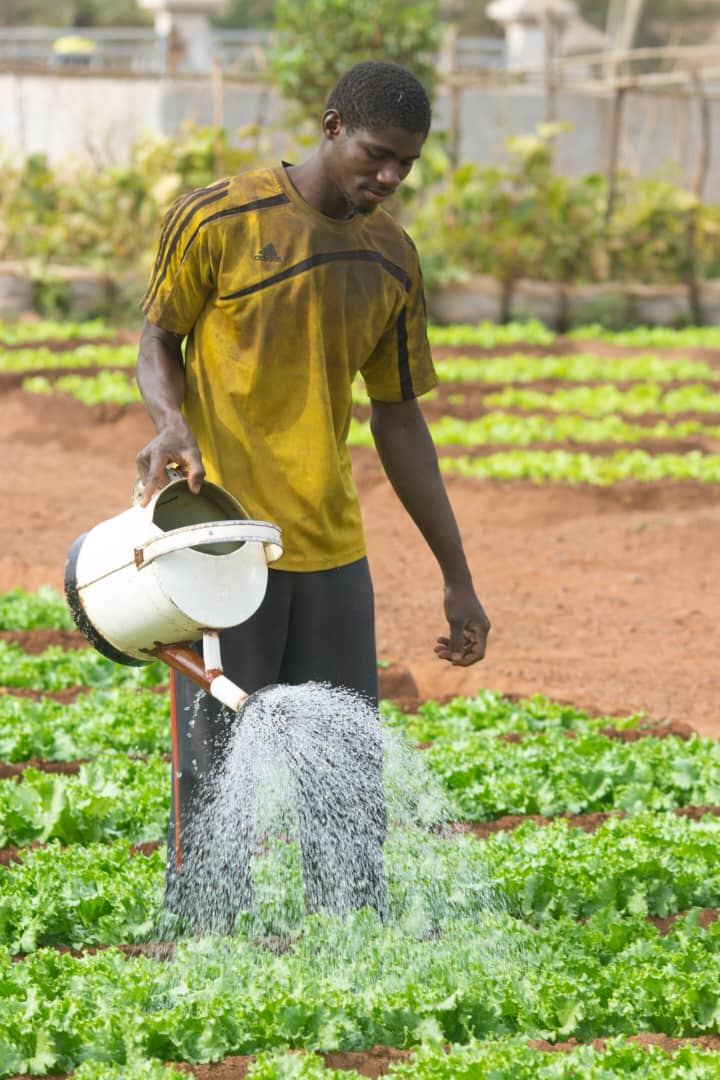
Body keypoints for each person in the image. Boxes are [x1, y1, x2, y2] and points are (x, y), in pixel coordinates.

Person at [135, 60, 491, 926]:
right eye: (378, 154)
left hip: (332, 550)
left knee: (344, 773)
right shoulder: (220, 216)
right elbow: (158, 338)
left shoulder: (392, 258)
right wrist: (170, 424)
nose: (390, 177)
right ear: (332, 127)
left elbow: (399, 421)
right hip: (222, 545)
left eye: (407, 164)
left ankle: (351, 938)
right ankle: (207, 941)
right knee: (213, 767)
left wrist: (457, 574)